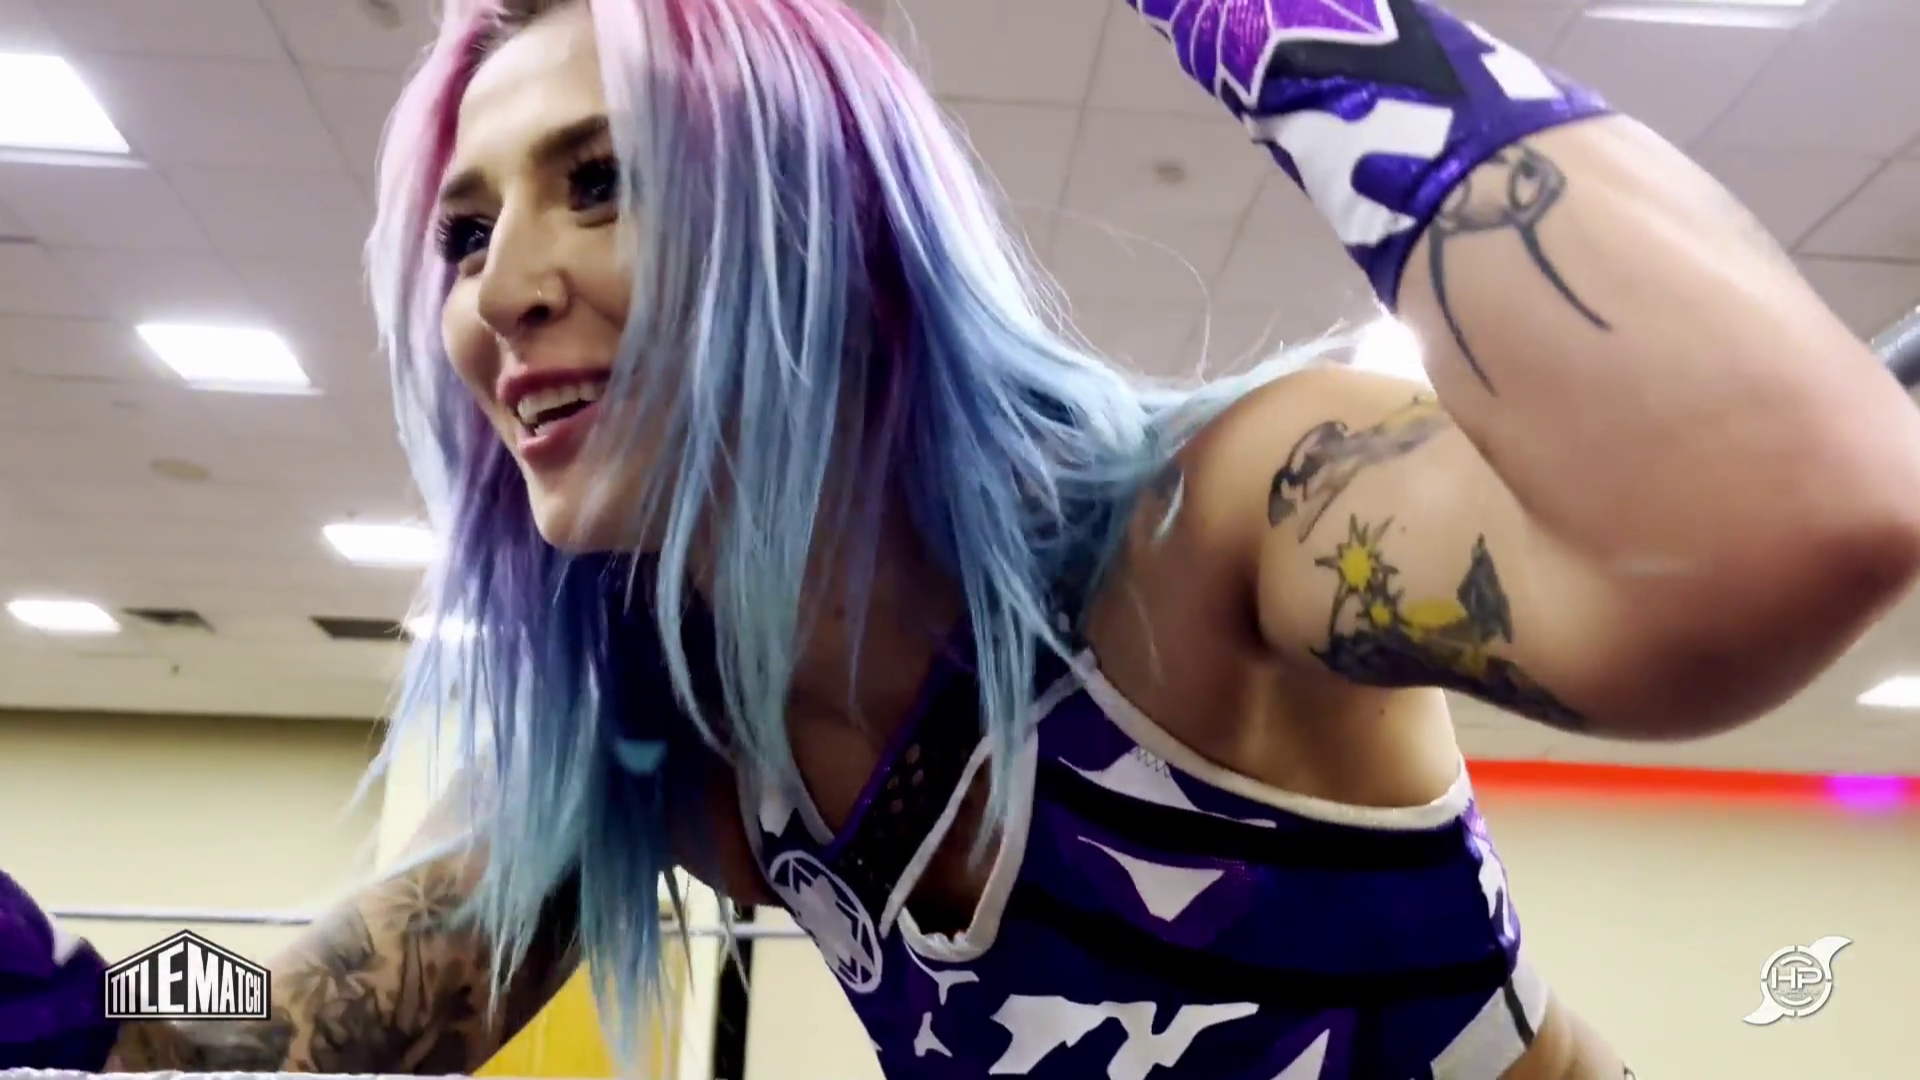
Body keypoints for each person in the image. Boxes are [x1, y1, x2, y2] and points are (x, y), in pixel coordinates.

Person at [7, 0, 1920, 1076]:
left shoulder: (1214, 532)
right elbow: (267, 1027)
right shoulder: (703, 748)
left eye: (603, 180)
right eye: (462, 229)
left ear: (822, 222)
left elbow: (1794, 512)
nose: (502, 287)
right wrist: (66, 997)